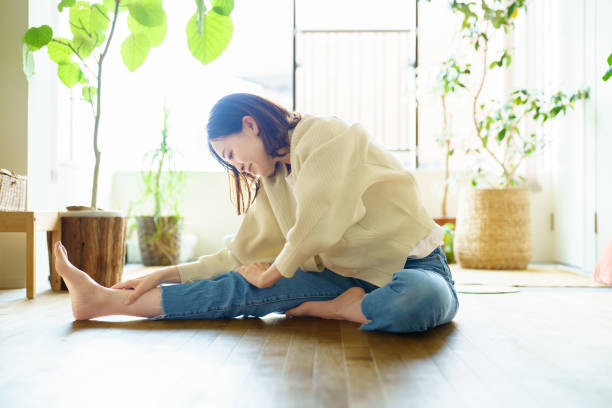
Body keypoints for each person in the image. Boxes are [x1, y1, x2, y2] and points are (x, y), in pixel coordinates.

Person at [54, 93, 459, 333]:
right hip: (345, 279)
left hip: (415, 267)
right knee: (242, 286)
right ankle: (101, 302)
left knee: (419, 301)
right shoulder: (275, 180)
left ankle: (336, 310)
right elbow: (235, 257)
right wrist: (165, 272)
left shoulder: (325, 136)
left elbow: (317, 223)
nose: (236, 167)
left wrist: (271, 274)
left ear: (251, 125)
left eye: (231, 154)